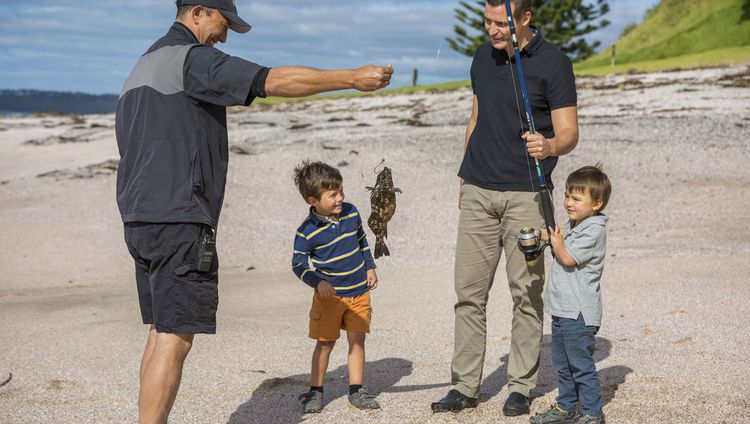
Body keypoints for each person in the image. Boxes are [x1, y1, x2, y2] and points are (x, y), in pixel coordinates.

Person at [115, 1, 393, 422]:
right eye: (222, 24)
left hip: (139, 216)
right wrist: (351, 78)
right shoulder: (192, 59)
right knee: (175, 337)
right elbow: (273, 80)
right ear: (197, 12)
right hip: (179, 218)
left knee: (161, 333)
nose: (223, 36)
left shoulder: (141, 68)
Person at [431, 0, 579, 416]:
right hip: (478, 190)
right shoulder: (481, 57)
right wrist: (465, 176)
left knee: (527, 294)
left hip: (527, 196)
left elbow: (569, 132)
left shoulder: (555, 63)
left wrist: (549, 146)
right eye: (487, 21)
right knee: (468, 295)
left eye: (501, 23)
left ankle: (520, 386)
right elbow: (476, 116)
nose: (493, 30)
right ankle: (463, 386)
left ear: (525, 19)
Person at [291, 161, 380, 413]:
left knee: (357, 341)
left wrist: (370, 267)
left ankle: (356, 390)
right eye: (332, 195)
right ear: (313, 200)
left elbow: (362, 241)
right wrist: (318, 282)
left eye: (340, 191)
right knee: (325, 343)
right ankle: (316, 391)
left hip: (359, 292)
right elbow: (298, 265)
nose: (340, 198)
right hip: (329, 299)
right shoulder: (306, 233)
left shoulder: (351, 213)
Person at [530, 165, 611, 424]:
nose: (568, 203)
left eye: (576, 199)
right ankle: (566, 408)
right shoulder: (574, 225)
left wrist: (556, 242)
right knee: (562, 365)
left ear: (597, 203)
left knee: (581, 366)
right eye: (567, 196)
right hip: (561, 309)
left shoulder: (594, 230)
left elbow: (566, 257)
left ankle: (592, 413)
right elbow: (559, 240)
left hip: (579, 313)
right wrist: (541, 237)